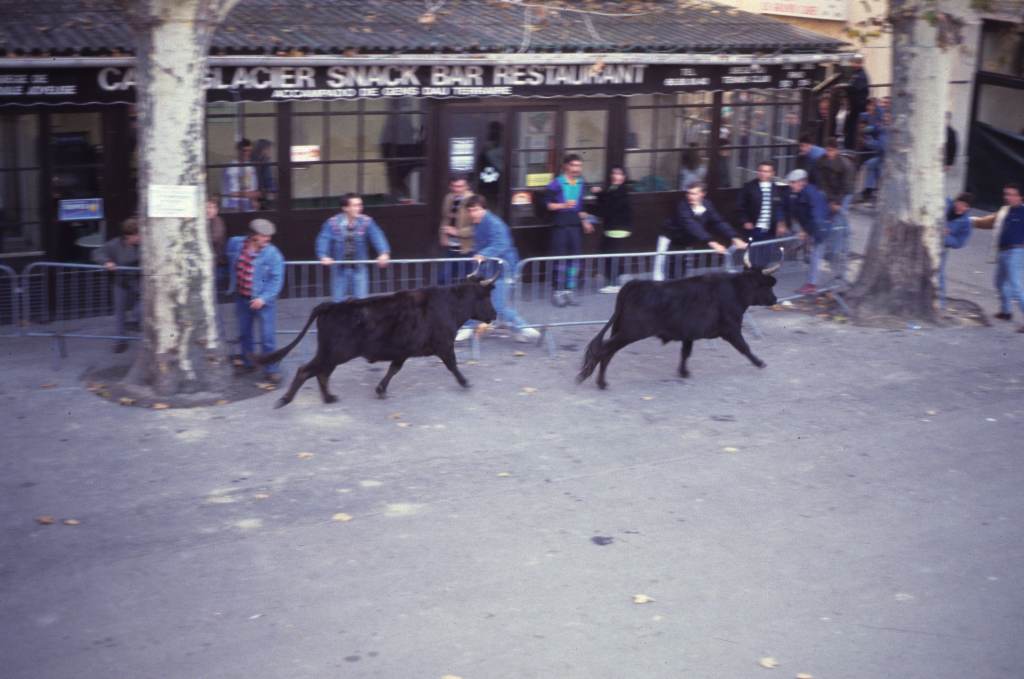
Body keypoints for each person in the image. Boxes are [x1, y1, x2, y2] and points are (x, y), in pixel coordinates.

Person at [464, 195, 541, 343]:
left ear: (484, 209)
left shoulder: (494, 223)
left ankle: (523, 328)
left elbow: (501, 243)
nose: (472, 213)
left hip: (504, 269)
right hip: (494, 270)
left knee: (497, 305)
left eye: (475, 209)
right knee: (487, 302)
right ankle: (519, 329)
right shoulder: (479, 223)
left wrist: (483, 255)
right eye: (470, 210)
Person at [227, 219, 284, 382]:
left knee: (267, 337)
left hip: (264, 301)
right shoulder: (235, 244)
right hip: (242, 297)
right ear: (252, 235)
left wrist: (263, 298)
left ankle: (271, 369)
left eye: (269, 236)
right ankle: (248, 362)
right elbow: (229, 261)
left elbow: (276, 280)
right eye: (264, 236)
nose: (268, 239)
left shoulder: (273, 254)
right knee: (245, 333)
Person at [655, 182, 746, 281]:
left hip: (685, 240)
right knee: (661, 265)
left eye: (694, 193)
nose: (690, 196)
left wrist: (734, 237)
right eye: (689, 193)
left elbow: (718, 222)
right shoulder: (682, 206)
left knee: (681, 267)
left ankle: (678, 288)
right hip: (670, 237)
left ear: (703, 194)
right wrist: (712, 243)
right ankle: (657, 286)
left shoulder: (707, 204)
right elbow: (692, 226)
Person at [316, 193, 391, 302]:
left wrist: (384, 253)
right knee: (338, 303)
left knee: (361, 302)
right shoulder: (332, 223)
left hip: (359, 269)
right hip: (339, 269)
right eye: (355, 205)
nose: (359, 208)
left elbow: (377, 235)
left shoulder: (367, 222)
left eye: (360, 205)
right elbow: (323, 239)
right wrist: (323, 255)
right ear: (345, 208)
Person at [971, 183, 1024, 329]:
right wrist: (968, 220)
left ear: (1021, 197)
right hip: (1003, 251)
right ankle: (1006, 312)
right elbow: (987, 222)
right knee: (999, 283)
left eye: (1012, 194)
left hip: (1017, 252)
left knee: (1016, 287)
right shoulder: (1004, 211)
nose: (1008, 197)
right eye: (1006, 194)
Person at [546, 154, 593, 306]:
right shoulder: (556, 183)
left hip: (575, 226)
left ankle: (569, 290)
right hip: (560, 226)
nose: (576, 169)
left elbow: (581, 206)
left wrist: (585, 221)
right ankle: (557, 291)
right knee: (559, 259)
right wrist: (563, 205)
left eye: (579, 166)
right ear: (566, 166)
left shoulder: (581, 182)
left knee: (575, 259)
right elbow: (547, 204)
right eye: (573, 165)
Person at [92, 217, 141, 353]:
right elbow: (97, 253)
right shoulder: (114, 244)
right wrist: (106, 262)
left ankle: (136, 322)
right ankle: (121, 340)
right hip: (120, 282)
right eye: (137, 235)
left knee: (141, 307)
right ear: (128, 236)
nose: (140, 237)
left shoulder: (143, 245)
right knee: (119, 312)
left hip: (139, 281)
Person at [785, 169, 830, 295]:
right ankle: (813, 281)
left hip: (818, 230)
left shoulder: (812, 194)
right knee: (814, 255)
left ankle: (812, 284)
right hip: (813, 229)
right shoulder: (798, 193)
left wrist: (811, 233)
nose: (790, 185)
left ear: (801, 182)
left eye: (793, 182)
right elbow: (799, 213)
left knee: (817, 256)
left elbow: (817, 216)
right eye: (790, 182)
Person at [593, 165, 633, 293]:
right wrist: (600, 194)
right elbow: (606, 200)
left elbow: (607, 208)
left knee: (612, 255)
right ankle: (616, 279)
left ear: (624, 177)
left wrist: (590, 212)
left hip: (618, 228)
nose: (615, 176)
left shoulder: (620, 191)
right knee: (607, 252)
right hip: (612, 227)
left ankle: (614, 284)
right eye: (614, 173)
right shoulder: (613, 189)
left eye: (619, 174)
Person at [814, 138, 856, 255]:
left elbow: (845, 186)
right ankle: (835, 246)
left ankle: (837, 250)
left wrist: (837, 202)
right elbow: (823, 183)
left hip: (844, 193)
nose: (829, 153)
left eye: (831, 151)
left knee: (838, 219)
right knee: (833, 219)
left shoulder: (845, 165)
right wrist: (830, 200)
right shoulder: (821, 161)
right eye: (827, 150)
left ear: (836, 150)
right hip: (831, 193)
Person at [736, 159, 788, 246]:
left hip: (771, 229)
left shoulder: (776, 189)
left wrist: (781, 223)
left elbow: (779, 207)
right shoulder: (749, 187)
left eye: (767, 171)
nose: (763, 173)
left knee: (768, 255)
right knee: (753, 254)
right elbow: (740, 206)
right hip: (754, 228)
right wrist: (745, 221)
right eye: (761, 171)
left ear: (772, 173)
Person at [437, 174, 475, 285]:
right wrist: (443, 236)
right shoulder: (448, 198)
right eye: (454, 186)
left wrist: (457, 232)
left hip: (467, 248)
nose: (457, 189)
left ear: (467, 186)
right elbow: (445, 218)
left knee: (465, 282)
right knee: (443, 279)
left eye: (460, 186)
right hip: (451, 247)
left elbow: (476, 228)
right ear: (450, 186)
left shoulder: (472, 200)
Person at [939, 193, 973, 306]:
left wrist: (946, 236)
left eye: (964, 205)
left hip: (941, 248)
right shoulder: (946, 203)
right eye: (959, 202)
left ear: (968, 208)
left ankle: (940, 304)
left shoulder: (966, 222)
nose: (960, 206)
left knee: (939, 274)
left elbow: (959, 242)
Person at [221, 138, 259, 212]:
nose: (247, 153)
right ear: (238, 151)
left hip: (249, 206)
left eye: (249, 151)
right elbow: (226, 192)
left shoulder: (251, 167)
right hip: (233, 206)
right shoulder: (229, 168)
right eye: (245, 151)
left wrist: (254, 201)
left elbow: (254, 189)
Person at [844, 57, 870, 151]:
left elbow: (855, 89)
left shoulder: (861, 75)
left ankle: (851, 147)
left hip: (858, 106)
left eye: (855, 63)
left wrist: (847, 89)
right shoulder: (856, 74)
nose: (853, 65)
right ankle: (849, 146)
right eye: (853, 62)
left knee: (854, 127)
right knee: (850, 126)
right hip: (854, 106)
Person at [206, 197, 227, 291]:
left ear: (217, 210)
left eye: (213, 207)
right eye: (207, 207)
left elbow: (215, 238)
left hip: (216, 262)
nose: (209, 210)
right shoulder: (205, 221)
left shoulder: (217, 221)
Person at [253, 139, 276, 210]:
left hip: (254, 194)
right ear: (263, 149)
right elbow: (268, 179)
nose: (270, 151)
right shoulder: (265, 161)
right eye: (269, 149)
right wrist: (273, 190)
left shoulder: (251, 160)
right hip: (260, 194)